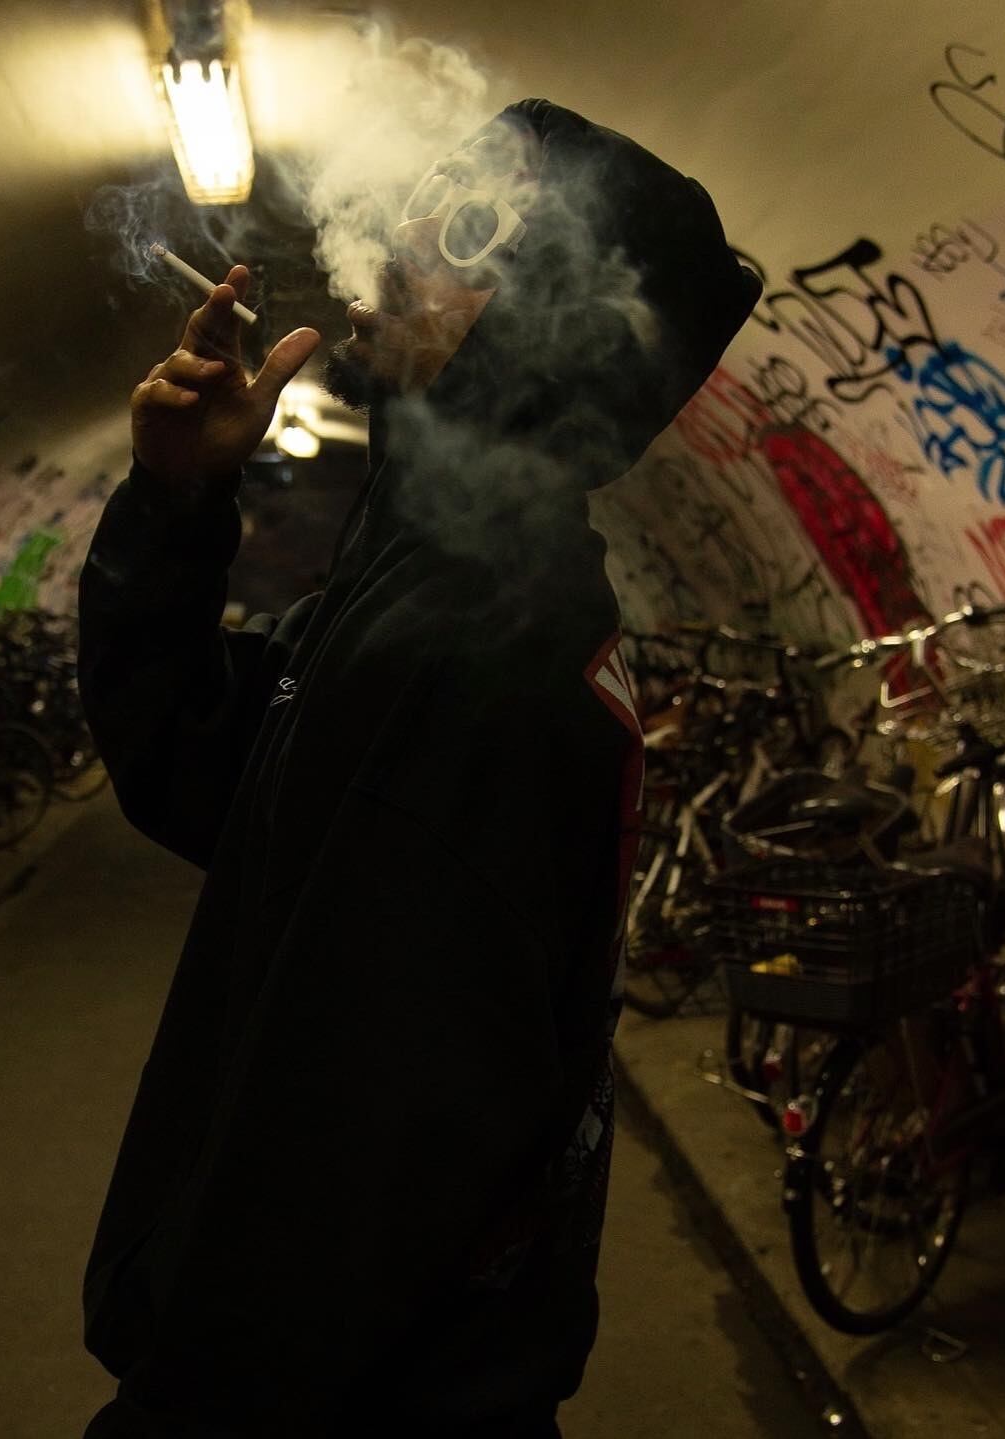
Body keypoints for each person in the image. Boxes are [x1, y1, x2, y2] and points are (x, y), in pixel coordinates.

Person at [78, 97, 761, 1438]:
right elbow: (203, 771)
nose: (396, 245)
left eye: (469, 228)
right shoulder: (421, 585)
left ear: (551, 331)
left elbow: (348, 1168)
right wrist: (175, 507)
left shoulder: (477, 655)